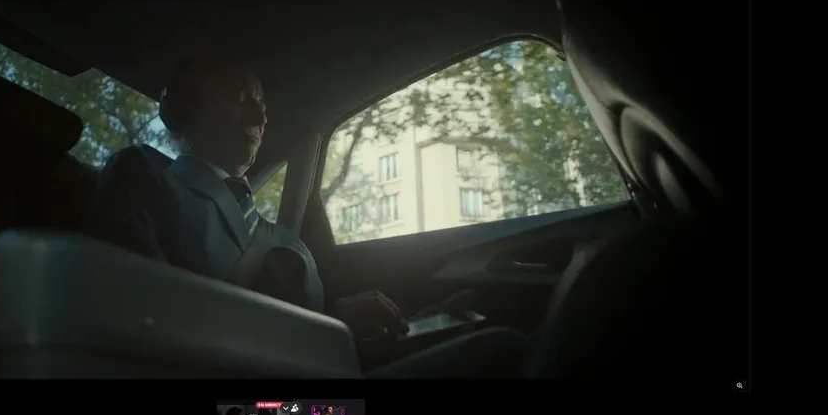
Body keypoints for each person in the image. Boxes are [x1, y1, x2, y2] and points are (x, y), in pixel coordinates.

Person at [88, 55, 531, 378]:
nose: (260, 116)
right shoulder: (143, 177)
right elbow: (135, 319)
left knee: (487, 347)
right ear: (183, 109)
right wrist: (325, 325)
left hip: (307, 408)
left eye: (261, 105)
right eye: (241, 100)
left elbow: (327, 356)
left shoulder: (285, 240)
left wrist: (411, 329)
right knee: (499, 354)